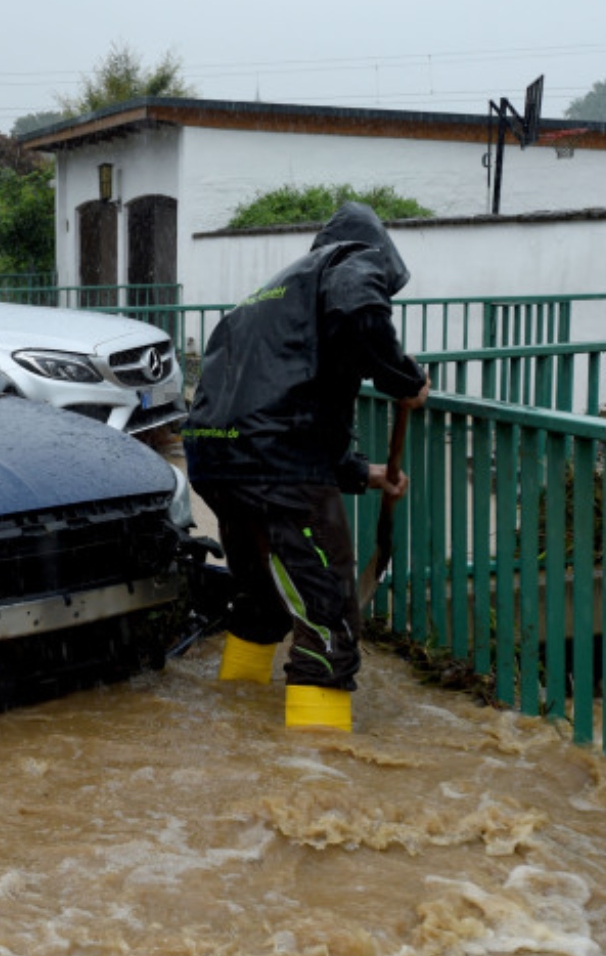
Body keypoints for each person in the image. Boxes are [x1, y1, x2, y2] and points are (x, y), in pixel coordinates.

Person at [181, 202, 430, 732]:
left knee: (261, 599)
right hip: (276, 468)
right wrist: (403, 379)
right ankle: (317, 769)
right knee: (327, 611)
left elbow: (283, 400)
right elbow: (359, 310)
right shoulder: (353, 262)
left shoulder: (272, 296)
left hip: (218, 460)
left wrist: (366, 473)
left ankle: (237, 718)